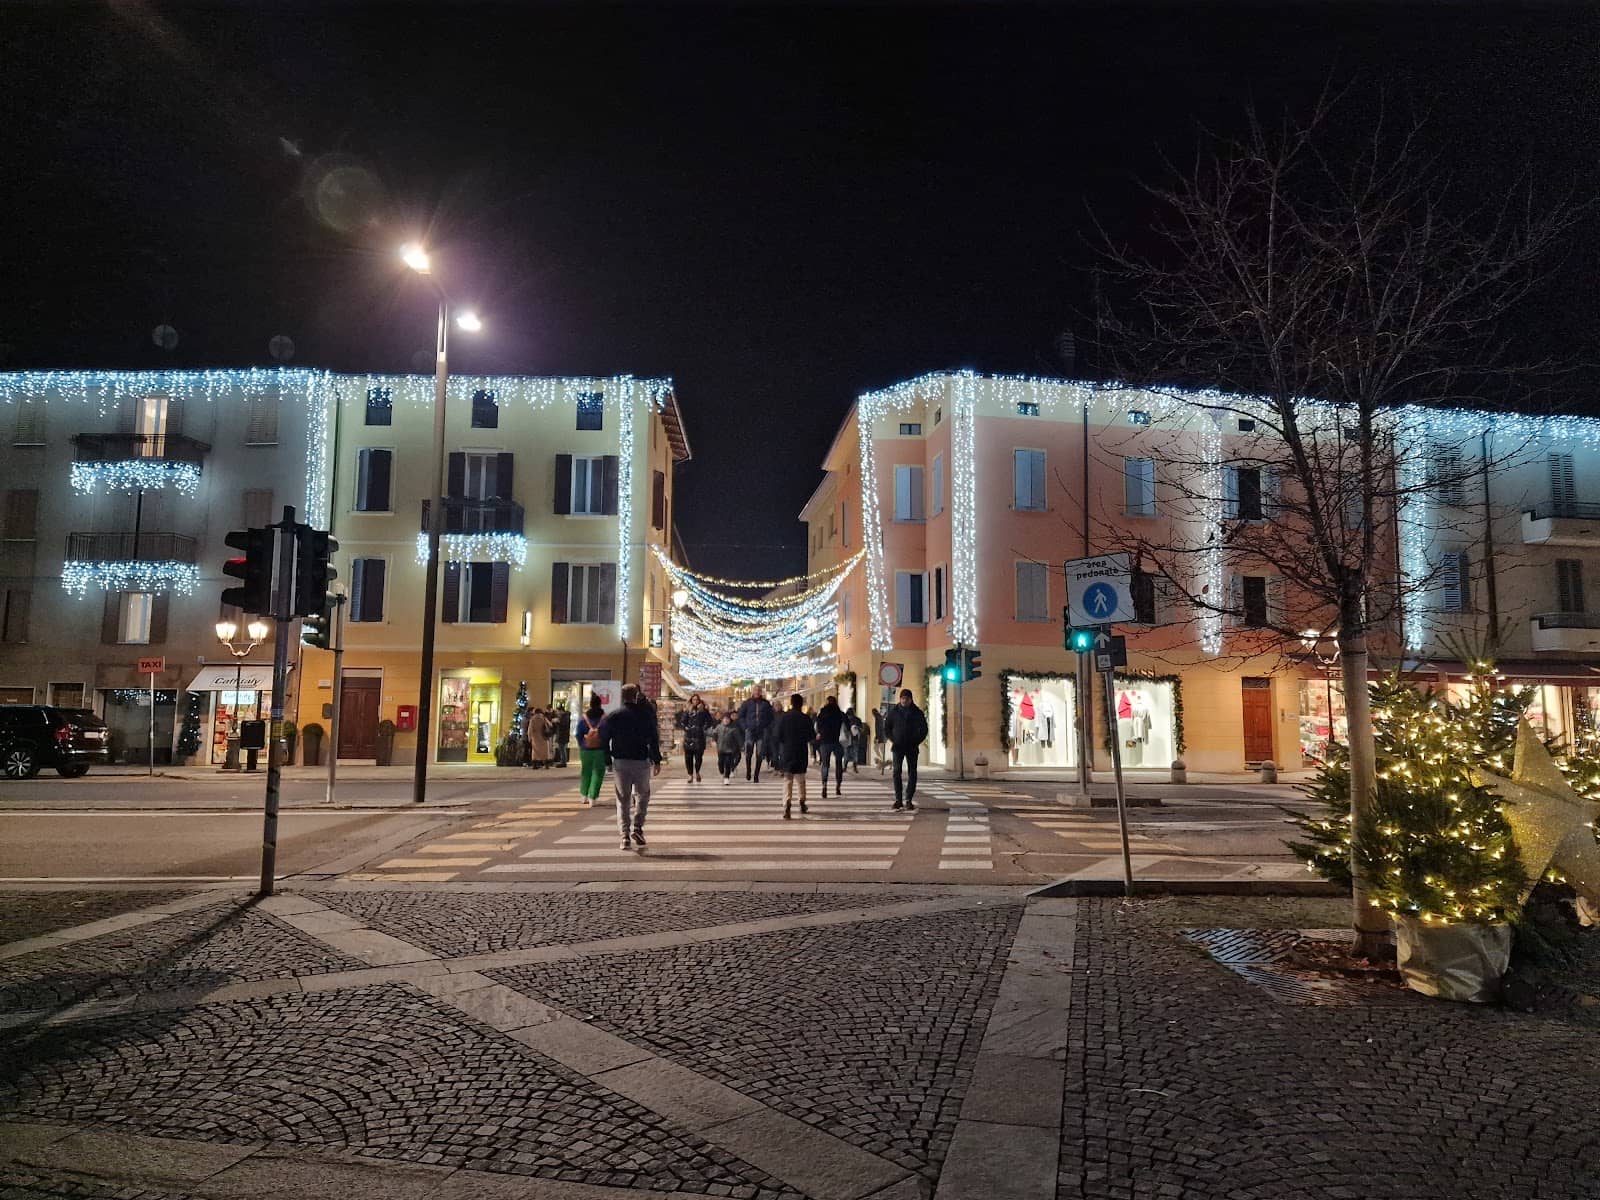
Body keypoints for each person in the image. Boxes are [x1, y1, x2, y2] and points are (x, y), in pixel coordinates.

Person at [599, 685, 662, 850]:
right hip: (641, 761)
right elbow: (653, 739)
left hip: (621, 762)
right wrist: (657, 760)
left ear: (622, 697)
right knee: (642, 795)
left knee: (623, 799)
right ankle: (638, 827)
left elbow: (603, 738)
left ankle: (624, 836)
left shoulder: (614, 716)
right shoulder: (645, 715)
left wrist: (607, 759)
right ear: (636, 696)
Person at [885, 687, 928, 812]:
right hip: (898, 747)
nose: (904, 701)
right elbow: (887, 727)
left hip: (912, 747)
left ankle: (909, 799)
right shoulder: (894, 712)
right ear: (900, 699)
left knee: (912, 772)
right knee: (896, 772)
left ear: (911, 699)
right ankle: (898, 799)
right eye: (902, 698)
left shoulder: (917, 712)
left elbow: (924, 729)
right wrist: (893, 739)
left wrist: (916, 740)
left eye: (907, 699)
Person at [776, 693, 815, 819]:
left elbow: (778, 735)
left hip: (787, 751)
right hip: (801, 751)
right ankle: (802, 802)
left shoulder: (784, 718)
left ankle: (787, 803)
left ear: (791, 703)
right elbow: (811, 736)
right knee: (800, 779)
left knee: (788, 779)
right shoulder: (805, 718)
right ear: (801, 704)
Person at [736, 686, 775, 782]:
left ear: (761, 692)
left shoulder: (765, 704)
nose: (757, 692)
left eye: (758, 690)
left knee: (760, 753)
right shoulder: (747, 703)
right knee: (749, 753)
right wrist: (745, 727)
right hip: (750, 731)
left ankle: (756, 774)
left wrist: (767, 727)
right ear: (752, 692)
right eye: (755, 690)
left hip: (761, 731)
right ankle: (748, 770)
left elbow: (771, 717)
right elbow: (740, 716)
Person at [813, 694, 847, 798]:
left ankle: (824, 785)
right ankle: (838, 787)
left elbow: (817, 726)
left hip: (825, 742)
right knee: (838, 765)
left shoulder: (822, 713)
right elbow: (847, 725)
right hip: (838, 741)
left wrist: (820, 733)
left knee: (825, 764)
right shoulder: (840, 713)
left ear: (827, 702)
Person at [575, 701, 607, 806]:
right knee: (598, 773)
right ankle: (593, 797)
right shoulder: (604, 719)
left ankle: (584, 795)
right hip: (600, 750)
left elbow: (578, 734)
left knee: (585, 772)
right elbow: (607, 734)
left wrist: (582, 744)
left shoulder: (583, 719)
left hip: (585, 750)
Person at [678, 693, 716, 783]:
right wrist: (687, 728)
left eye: (697, 699)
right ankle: (690, 775)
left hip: (699, 737)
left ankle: (697, 772)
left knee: (698, 758)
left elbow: (710, 721)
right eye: (693, 699)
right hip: (689, 737)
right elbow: (682, 722)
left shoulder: (703, 711)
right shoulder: (687, 710)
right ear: (691, 701)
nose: (695, 701)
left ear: (699, 701)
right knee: (688, 758)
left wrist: (703, 728)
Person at [715, 712, 744, 785]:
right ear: (722, 720)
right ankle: (722, 771)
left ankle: (726, 777)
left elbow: (738, 739)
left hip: (730, 750)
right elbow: (715, 734)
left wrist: (741, 746)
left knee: (728, 763)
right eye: (724, 719)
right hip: (721, 749)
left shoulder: (734, 729)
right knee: (720, 762)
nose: (726, 720)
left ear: (730, 720)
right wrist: (715, 741)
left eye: (727, 719)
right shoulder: (719, 727)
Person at [843, 706, 866, 773]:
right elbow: (862, 729)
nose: (850, 717)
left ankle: (849, 767)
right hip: (852, 739)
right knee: (851, 753)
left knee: (849, 753)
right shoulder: (856, 719)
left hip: (851, 739)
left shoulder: (853, 720)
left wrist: (857, 728)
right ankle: (850, 767)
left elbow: (862, 729)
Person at [553, 703, 572, 768]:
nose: (557, 713)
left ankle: (563, 762)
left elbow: (564, 725)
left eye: (558, 711)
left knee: (562, 749)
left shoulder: (564, 717)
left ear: (561, 711)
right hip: (563, 735)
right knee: (562, 748)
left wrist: (558, 722)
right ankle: (563, 761)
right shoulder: (565, 716)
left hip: (563, 735)